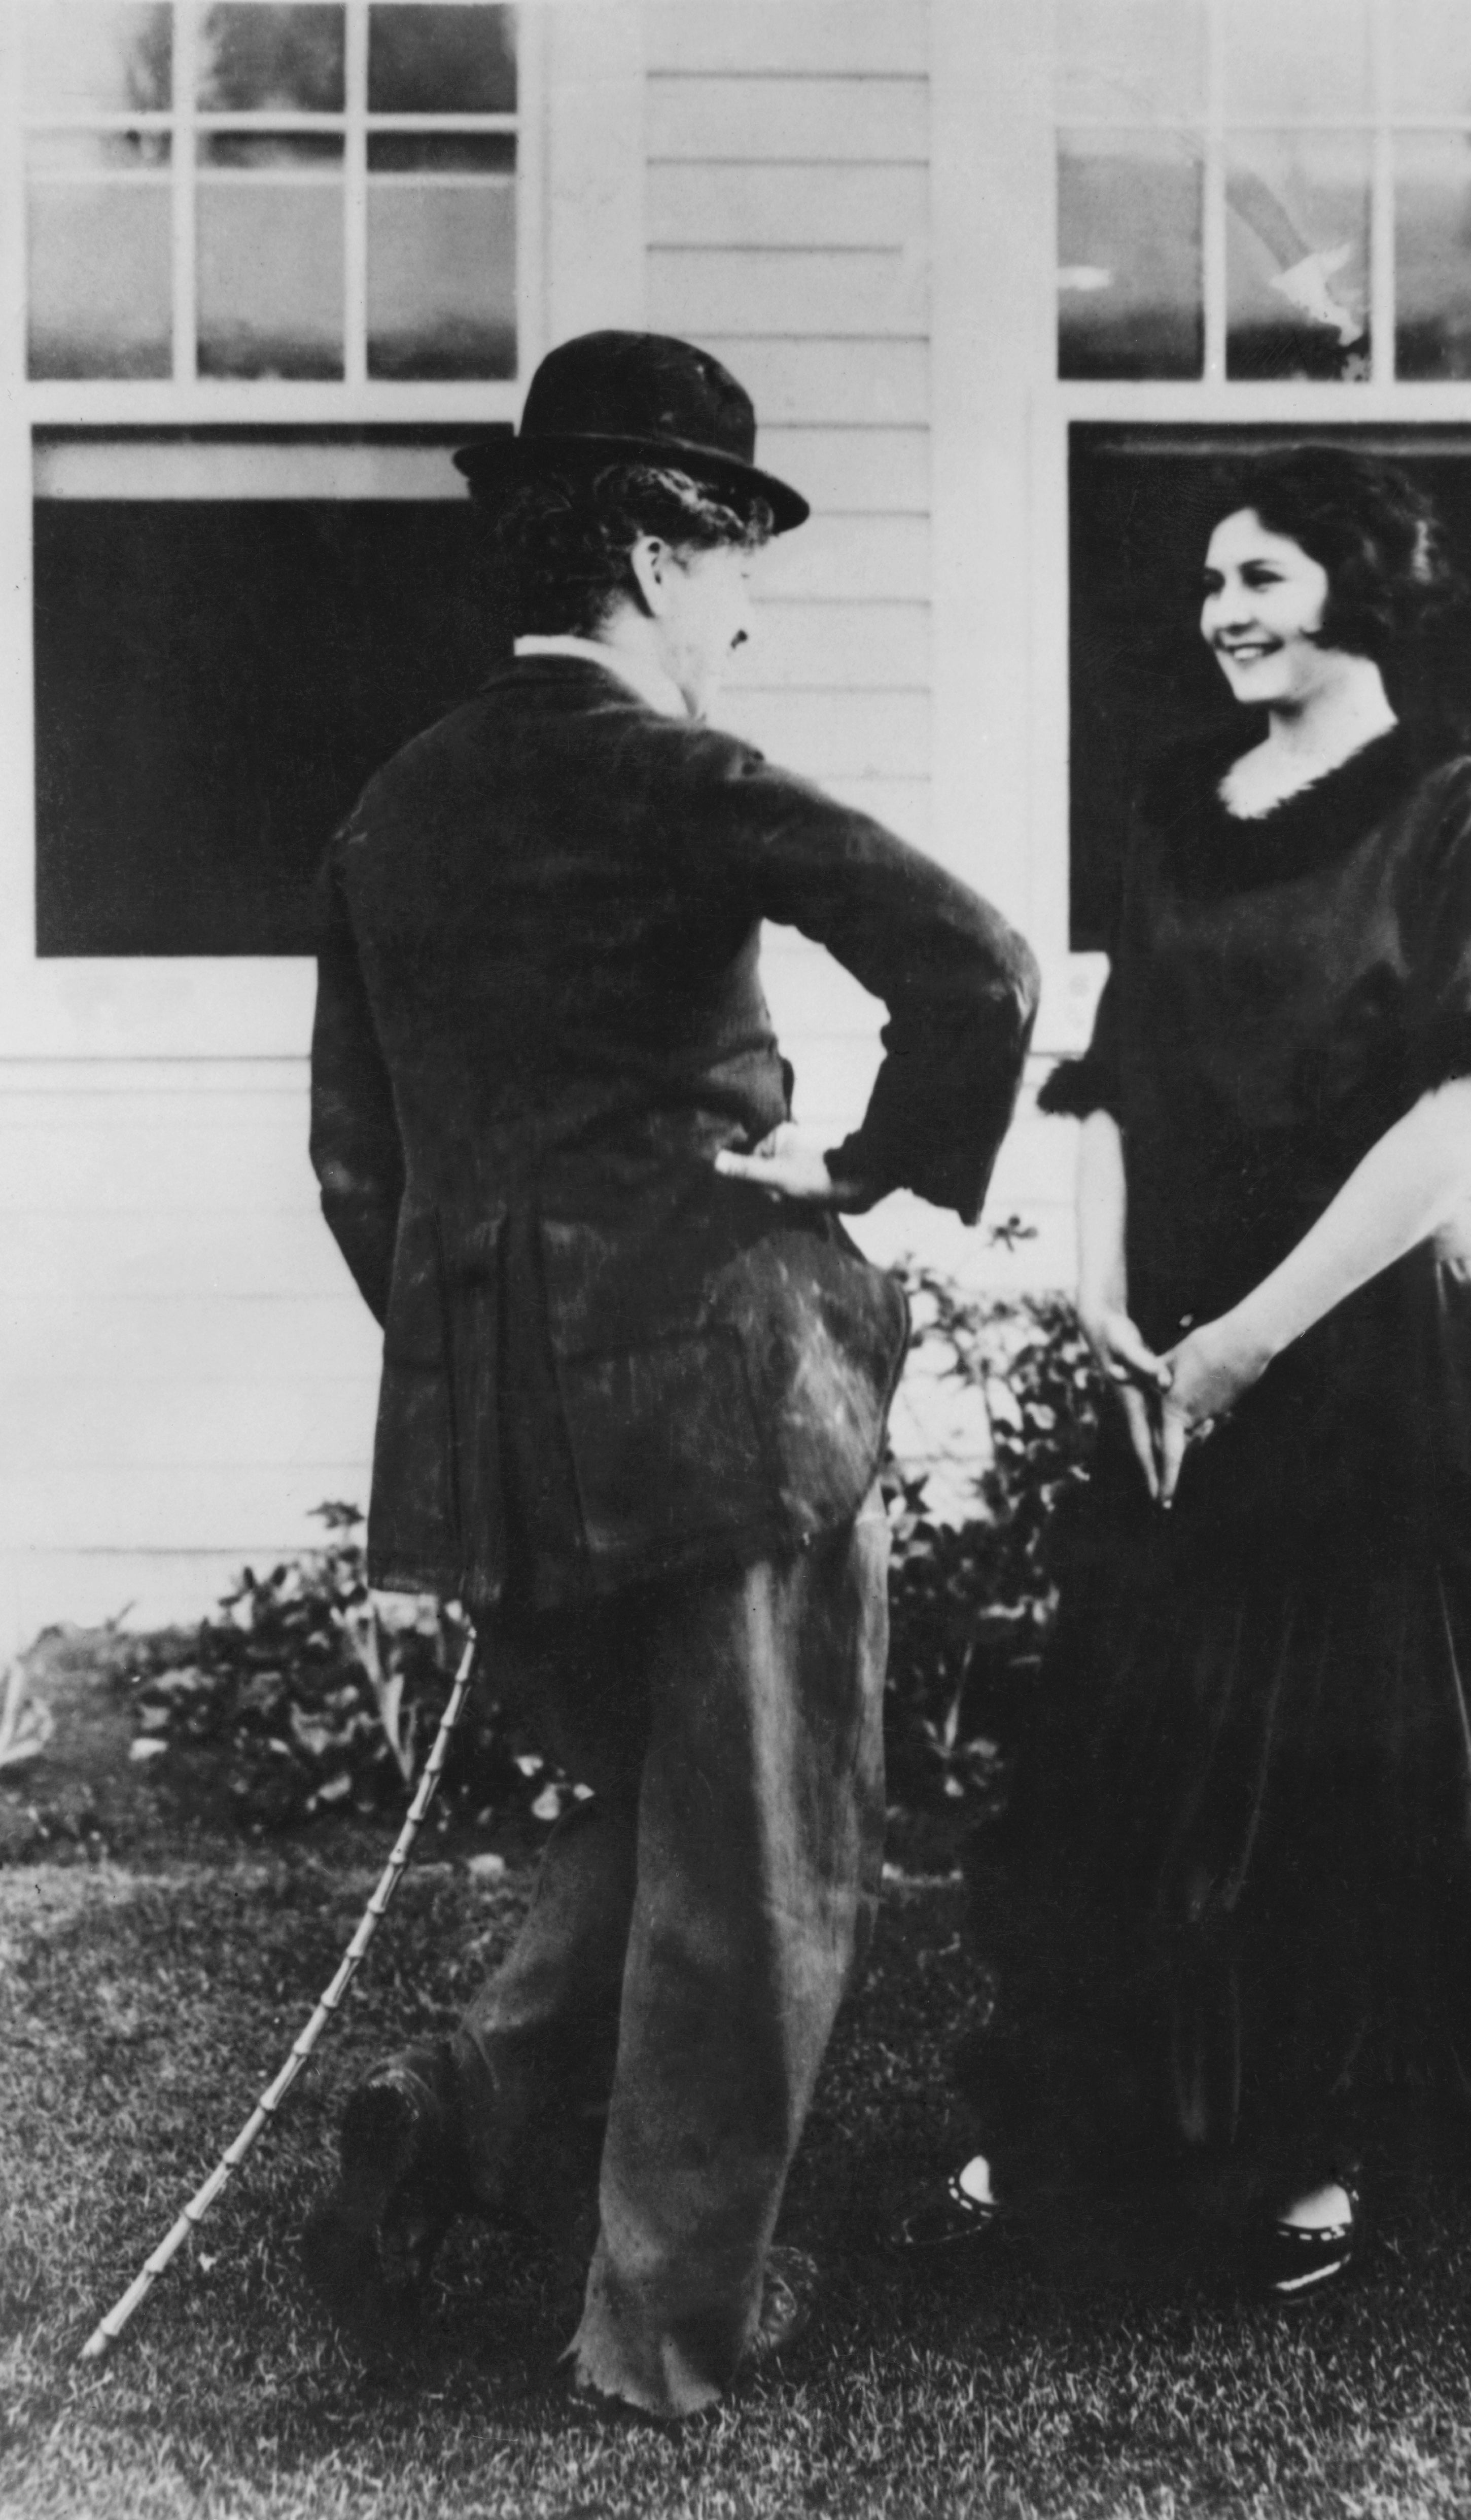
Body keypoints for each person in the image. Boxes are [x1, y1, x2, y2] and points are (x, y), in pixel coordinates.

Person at [302, 330, 1038, 2417]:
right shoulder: (673, 769)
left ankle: (454, 2118)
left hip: (500, 1434)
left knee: (648, 1819)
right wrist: (874, 1161)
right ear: (648, 537)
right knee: (768, 1856)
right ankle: (663, 2333)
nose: (744, 609)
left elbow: (355, 1160)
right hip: (722, 1403)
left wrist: (478, 1351)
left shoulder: (391, 806)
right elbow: (977, 958)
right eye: (735, 563)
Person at [912, 446, 1471, 2294]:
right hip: (1186, 1319)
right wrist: (1102, 1284)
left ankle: (1316, 2138)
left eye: (1261, 576)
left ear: (1359, 584)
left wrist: (1252, 1335)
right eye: (1209, 585)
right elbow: (1116, 1067)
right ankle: (1098, 2103)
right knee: (1150, 1723)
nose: (1220, 612)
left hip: (1375, 1323)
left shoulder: (1461, 812)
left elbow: (1456, 1120)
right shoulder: (1174, 803)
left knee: (1342, 1740)